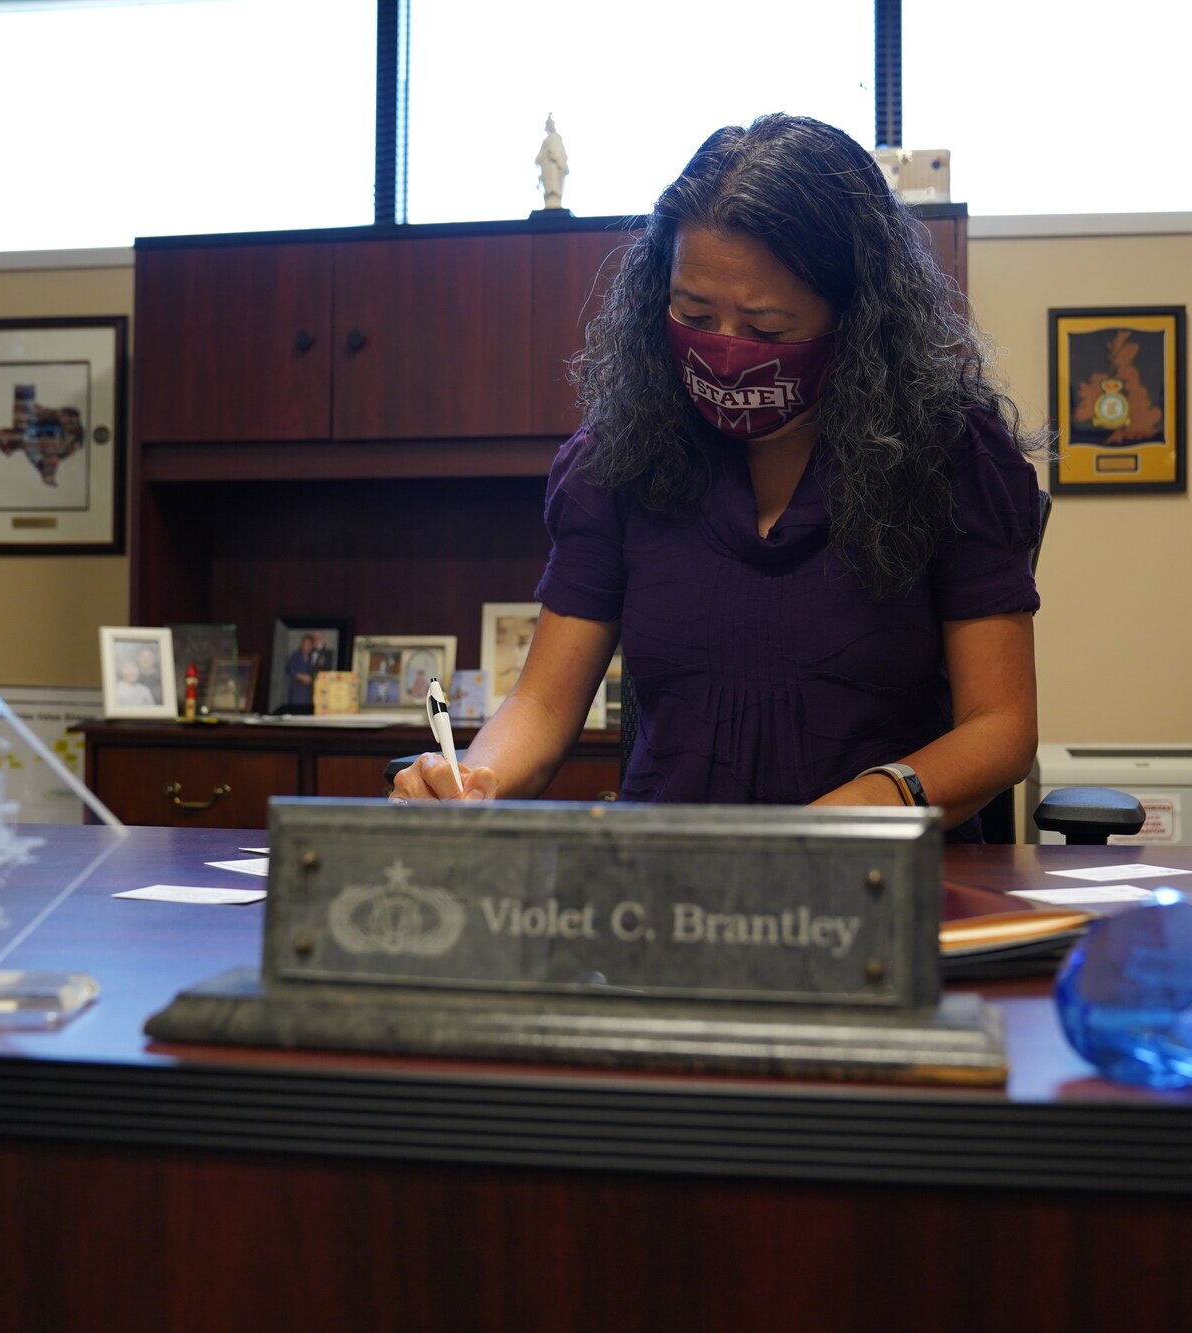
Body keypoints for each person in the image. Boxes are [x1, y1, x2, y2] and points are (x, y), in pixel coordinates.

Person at [394, 114, 1042, 841]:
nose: (727, 351)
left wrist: (870, 804)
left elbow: (1001, 726)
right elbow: (541, 708)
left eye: (766, 328)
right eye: (694, 313)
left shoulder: (950, 456)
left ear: (857, 317)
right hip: (671, 880)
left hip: (876, 878)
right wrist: (472, 778)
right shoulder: (620, 459)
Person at [284, 633, 318, 712]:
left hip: (309, 692)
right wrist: (301, 676)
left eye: (309, 644)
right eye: (305, 644)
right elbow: (289, 669)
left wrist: (311, 679)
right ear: (302, 644)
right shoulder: (295, 656)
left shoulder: (313, 657)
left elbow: (316, 672)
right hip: (297, 690)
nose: (307, 646)